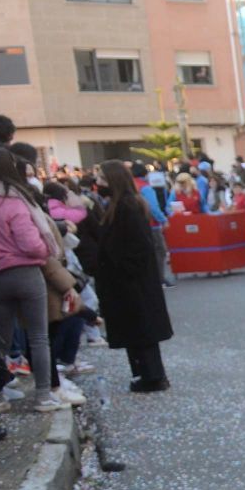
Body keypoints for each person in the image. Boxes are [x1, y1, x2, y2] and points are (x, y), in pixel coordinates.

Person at [0, 146, 62, 411]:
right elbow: (30, 243)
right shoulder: (15, 200)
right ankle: (43, 396)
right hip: (26, 272)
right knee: (39, 337)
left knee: (0, 340)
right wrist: (43, 250)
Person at [90, 160, 174, 393]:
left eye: (102, 180)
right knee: (135, 330)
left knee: (141, 330)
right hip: (126, 281)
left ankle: (151, 375)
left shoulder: (127, 207)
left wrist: (121, 269)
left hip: (131, 281)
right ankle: (143, 373)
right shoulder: (119, 205)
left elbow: (138, 247)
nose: (97, 184)